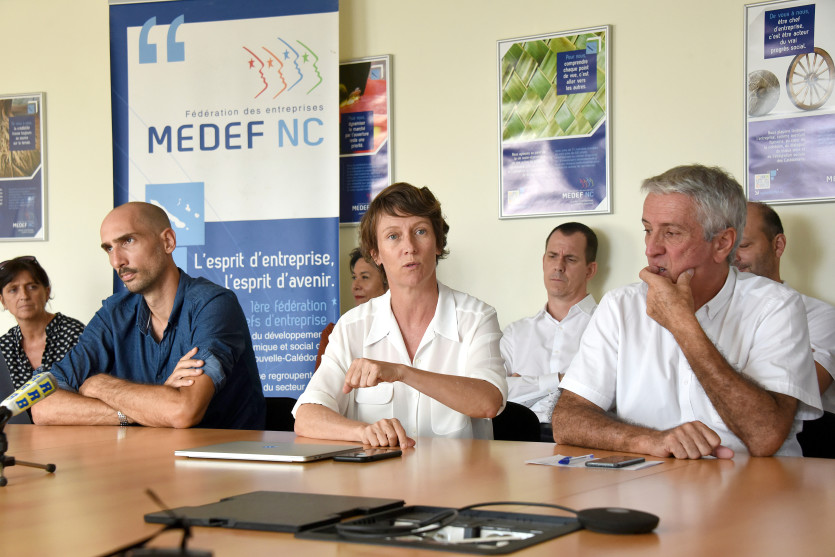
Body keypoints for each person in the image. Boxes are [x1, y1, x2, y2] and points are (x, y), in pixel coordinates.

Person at [552, 164, 822, 458]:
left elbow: (765, 436)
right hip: (654, 479)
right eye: (648, 230)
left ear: (722, 243)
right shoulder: (621, 304)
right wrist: (652, 441)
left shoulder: (777, 305)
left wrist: (683, 325)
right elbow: (567, 420)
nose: (651, 249)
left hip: (752, 480)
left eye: (671, 233)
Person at [293, 183, 507, 447]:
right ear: (376, 254)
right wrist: (363, 432)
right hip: (378, 472)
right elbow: (306, 416)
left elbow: (488, 401)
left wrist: (402, 373)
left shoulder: (477, 317)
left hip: (460, 472)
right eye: (393, 236)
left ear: (438, 244)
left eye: (420, 231)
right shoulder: (352, 326)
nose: (410, 247)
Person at [31, 202, 265, 429]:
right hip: (149, 451)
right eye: (109, 248)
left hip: (221, 453)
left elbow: (182, 411)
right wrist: (142, 410)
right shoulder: (114, 313)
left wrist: (97, 385)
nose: (117, 261)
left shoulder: (213, 304)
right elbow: (41, 405)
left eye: (128, 241)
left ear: (168, 241)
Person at [734, 201, 835, 456]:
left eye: (743, 246)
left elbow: (795, 397)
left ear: (778, 245)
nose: (732, 258)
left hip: (795, 460)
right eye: (725, 245)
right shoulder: (705, 313)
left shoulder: (820, 317)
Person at [501, 223, 597, 441]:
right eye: (553, 256)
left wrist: (525, 384)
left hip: (582, 441)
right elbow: (491, 391)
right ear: (544, 261)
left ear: (590, 270)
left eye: (570, 259)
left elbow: (609, 395)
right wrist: (561, 379)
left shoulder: (607, 327)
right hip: (516, 442)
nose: (559, 266)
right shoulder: (516, 333)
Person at [0, 256, 85, 388]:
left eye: (32, 287)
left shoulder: (74, 334)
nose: (24, 296)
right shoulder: (3, 347)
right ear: (3, 301)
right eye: (13, 290)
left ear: (47, 292)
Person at [315, 247, 387, 368]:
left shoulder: (406, 329)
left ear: (387, 281)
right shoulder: (334, 333)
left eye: (364, 277)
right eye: (354, 277)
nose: (355, 286)